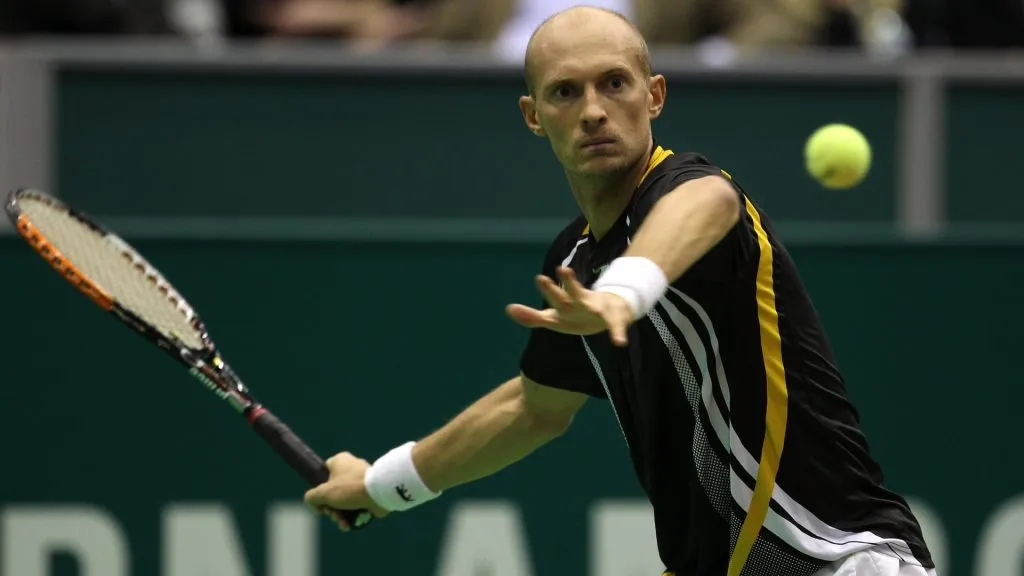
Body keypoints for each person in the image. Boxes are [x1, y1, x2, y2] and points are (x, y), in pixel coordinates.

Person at [302, 6, 936, 575]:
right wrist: (381, 485)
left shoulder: (688, 189)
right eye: (565, 92)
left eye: (614, 83)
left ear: (654, 95)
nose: (594, 109)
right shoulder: (577, 258)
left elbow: (708, 204)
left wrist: (623, 295)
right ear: (533, 116)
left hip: (839, 557)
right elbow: (531, 410)